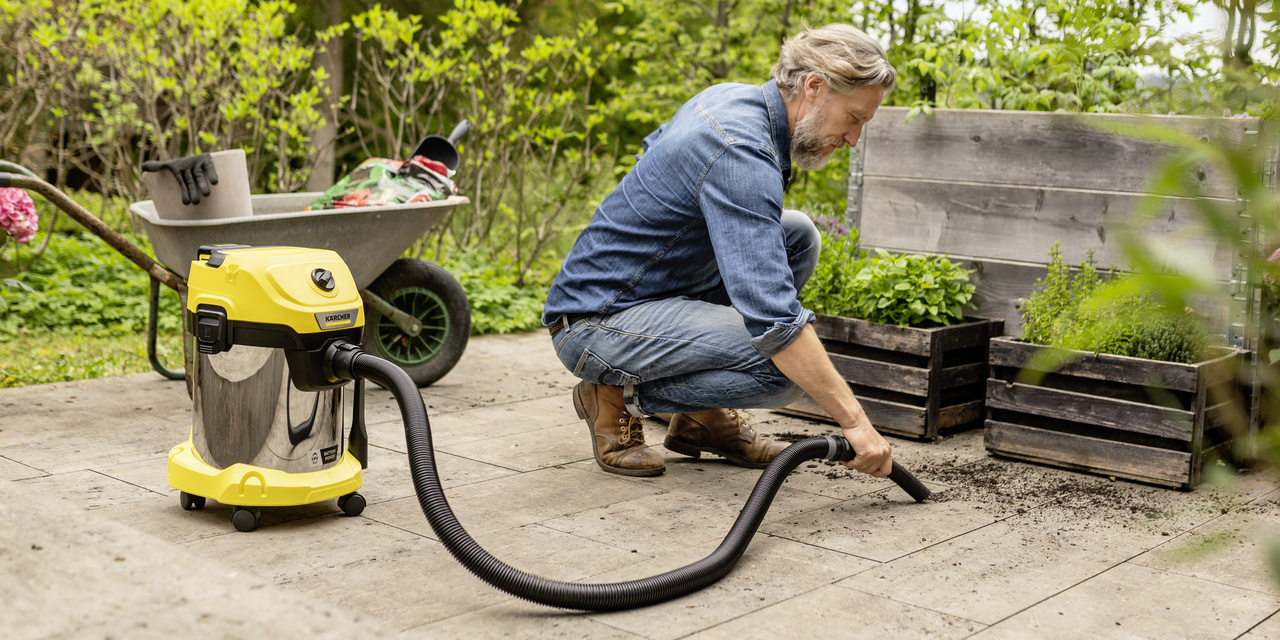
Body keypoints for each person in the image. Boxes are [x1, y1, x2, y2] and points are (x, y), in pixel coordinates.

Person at [543, 24, 896, 479]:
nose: (853, 139)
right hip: (597, 322)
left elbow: (651, 154)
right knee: (784, 371)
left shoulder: (729, 98)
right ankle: (613, 395)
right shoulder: (740, 150)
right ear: (814, 87)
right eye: (854, 118)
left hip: (648, 289)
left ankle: (699, 420)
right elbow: (774, 321)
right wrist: (856, 422)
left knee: (798, 236)